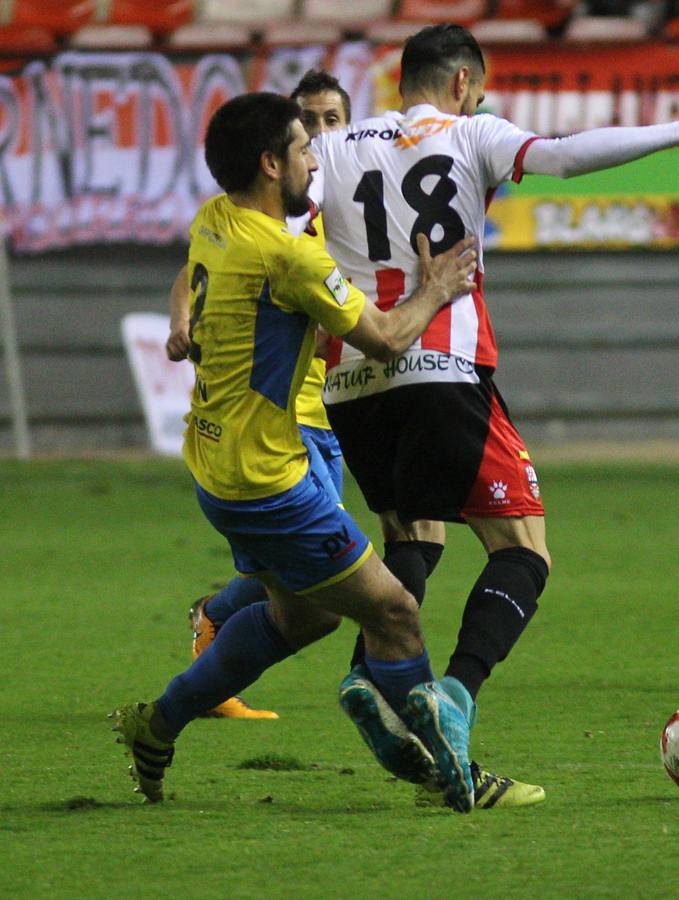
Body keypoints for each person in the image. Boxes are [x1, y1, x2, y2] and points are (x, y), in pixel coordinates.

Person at [307, 23, 679, 804]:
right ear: (462, 82)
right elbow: (566, 154)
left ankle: (369, 673)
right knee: (524, 547)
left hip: (353, 381)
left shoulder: (330, 147)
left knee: (414, 534)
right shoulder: (471, 132)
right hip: (443, 366)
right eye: (481, 87)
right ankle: (451, 696)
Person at [111, 91, 481, 809]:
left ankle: (157, 724)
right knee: (395, 611)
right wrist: (435, 290)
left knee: (305, 614)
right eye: (303, 147)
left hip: (218, 467)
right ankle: (451, 770)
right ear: (270, 163)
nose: (316, 157)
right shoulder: (288, 257)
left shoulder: (214, 220)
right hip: (268, 482)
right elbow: (387, 337)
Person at [164, 69, 357, 721]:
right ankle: (206, 666)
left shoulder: (349, 202)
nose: (321, 136)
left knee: (298, 575)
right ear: (274, 156)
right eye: (310, 123)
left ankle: (210, 627)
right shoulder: (268, 228)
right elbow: (191, 270)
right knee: (331, 587)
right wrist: (181, 318)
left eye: (333, 120)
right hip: (285, 419)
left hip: (329, 398)